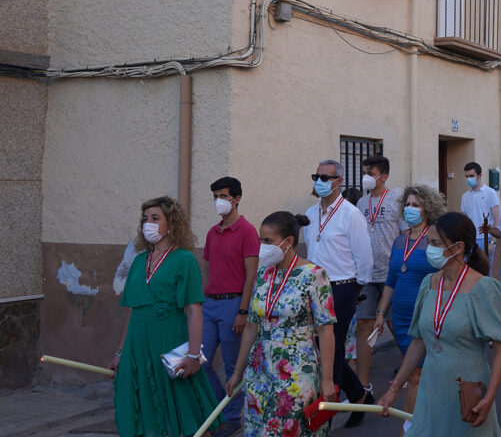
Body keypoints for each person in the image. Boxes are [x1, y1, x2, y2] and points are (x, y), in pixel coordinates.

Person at [378, 212, 501, 436]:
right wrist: (393, 389)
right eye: (428, 243)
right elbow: (418, 343)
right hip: (431, 391)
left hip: (467, 393)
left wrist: (489, 397)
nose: (428, 250)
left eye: (435, 244)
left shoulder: (484, 288)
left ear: (458, 247)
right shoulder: (428, 284)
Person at [110, 196, 220, 437]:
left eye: (155, 218)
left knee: (184, 406)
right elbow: (132, 311)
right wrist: (120, 352)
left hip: (169, 339)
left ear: (171, 223)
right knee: (144, 404)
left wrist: (193, 355)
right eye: (145, 219)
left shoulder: (184, 260)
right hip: (137, 345)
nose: (147, 223)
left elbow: (194, 311)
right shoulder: (139, 261)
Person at [226, 212, 337, 437]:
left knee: (284, 430)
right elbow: (251, 327)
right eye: (261, 240)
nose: (262, 246)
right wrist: (238, 372)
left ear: (288, 242)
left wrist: (327, 379)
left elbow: (326, 331)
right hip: (260, 370)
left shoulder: (314, 275)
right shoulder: (263, 274)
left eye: (268, 241)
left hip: (296, 369)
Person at [304, 160, 374, 427]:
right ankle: (360, 397)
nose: (320, 181)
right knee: (324, 350)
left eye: (325, 177)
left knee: (331, 352)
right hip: (314, 287)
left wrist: (357, 288)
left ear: (338, 181)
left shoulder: (350, 214)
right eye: (316, 175)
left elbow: (363, 257)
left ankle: (326, 416)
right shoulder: (311, 212)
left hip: (342, 287)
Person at [373, 184, 447, 416]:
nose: (410, 209)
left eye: (416, 205)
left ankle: (411, 427)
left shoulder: (435, 240)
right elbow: (391, 280)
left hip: (426, 317)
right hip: (401, 320)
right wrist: (381, 314)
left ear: (428, 210)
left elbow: (447, 276)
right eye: (407, 204)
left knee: (416, 374)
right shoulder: (399, 241)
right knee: (417, 373)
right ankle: (427, 420)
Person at [200, 177, 260, 437]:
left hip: (233, 303)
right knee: (199, 359)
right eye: (215, 196)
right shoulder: (212, 232)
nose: (218, 201)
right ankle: (217, 409)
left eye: (223, 196)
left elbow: (251, 275)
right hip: (209, 304)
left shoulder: (247, 231)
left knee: (233, 363)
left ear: (236, 199)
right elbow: (207, 270)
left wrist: (243, 311)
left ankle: (233, 417)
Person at [354, 155, 407, 398]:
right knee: (363, 324)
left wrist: (403, 266)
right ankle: (362, 385)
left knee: (394, 323)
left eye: (371, 172)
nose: (366, 176)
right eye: (364, 171)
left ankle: (412, 367)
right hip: (366, 275)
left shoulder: (397, 200)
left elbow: (407, 234)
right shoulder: (361, 203)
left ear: (384, 176)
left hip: (391, 274)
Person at [461, 161, 501, 267]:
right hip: (470, 240)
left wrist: (492, 242)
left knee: (485, 271)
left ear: (479, 175)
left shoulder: (490, 193)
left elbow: (496, 219)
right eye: (466, 176)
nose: (469, 179)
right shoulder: (465, 196)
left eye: (472, 176)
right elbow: (464, 219)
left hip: (485, 238)